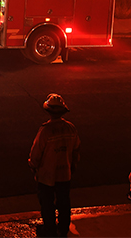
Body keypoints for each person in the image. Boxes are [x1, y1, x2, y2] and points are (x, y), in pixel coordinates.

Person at [29, 93, 80, 237]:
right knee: (64, 202)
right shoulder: (71, 128)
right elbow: (76, 149)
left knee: (47, 203)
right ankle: (63, 228)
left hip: (47, 175)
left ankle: (49, 229)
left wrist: (33, 166)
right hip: (65, 173)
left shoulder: (45, 130)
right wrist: (72, 165)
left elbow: (36, 153)